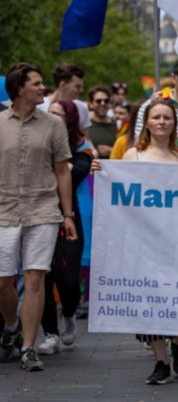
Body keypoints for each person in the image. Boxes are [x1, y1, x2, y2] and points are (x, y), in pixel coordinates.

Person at [91, 99, 178, 384]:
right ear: (146, 122)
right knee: (149, 300)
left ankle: (177, 341)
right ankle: (161, 362)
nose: (161, 122)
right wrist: (101, 173)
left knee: (175, 298)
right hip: (143, 241)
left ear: (174, 123)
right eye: (156, 117)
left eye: (166, 118)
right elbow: (119, 193)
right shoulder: (132, 157)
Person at [0, 63, 77, 371]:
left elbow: (62, 170)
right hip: (3, 209)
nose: (43, 88)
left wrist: (67, 214)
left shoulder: (54, 125)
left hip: (43, 209)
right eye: (37, 83)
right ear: (19, 89)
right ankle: (10, 327)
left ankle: (29, 348)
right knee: (4, 280)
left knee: (35, 277)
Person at [39, 100, 92, 354]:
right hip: (38, 214)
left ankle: (69, 313)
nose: (53, 118)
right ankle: (50, 333)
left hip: (69, 215)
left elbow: (77, 171)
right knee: (42, 277)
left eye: (59, 114)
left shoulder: (82, 145)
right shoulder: (37, 137)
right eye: (50, 113)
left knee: (68, 279)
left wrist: (60, 165)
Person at [38, 63, 90, 131]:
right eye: (77, 86)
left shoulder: (81, 107)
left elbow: (84, 137)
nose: (81, 90)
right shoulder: (39, 106)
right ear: (62, 85)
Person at [87, 85, 117, 159]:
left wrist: (112, 151)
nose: (102, 104)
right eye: (98, 101)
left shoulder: (118, 125)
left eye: (106, 101)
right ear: (91, 104)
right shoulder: (85, 126)